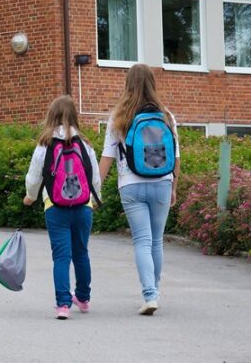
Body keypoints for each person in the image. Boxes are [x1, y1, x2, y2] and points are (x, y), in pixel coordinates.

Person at [99, 64, 180, 316]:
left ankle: (149, 295)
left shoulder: (119, 116)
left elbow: (107, 158)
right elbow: (176, 158)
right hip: (162, 184)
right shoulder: (166, 116)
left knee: (142, 241)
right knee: (156, 241)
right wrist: (174, 187)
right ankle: (153, 292)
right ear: (152, 84)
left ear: (128, 84)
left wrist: (95, 191)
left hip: (131, 185)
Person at [24, 96, 101, 320]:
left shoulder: (45, 145)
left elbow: (34, 176)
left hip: (55, 207)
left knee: (61, 256)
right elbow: (94, 177)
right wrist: (94, 200)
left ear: (51, 116)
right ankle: (84, 299)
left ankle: (63, 305)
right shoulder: (85, 144)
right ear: (74, 116)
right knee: (81, 253)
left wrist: (30, 196)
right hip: (83, 205)